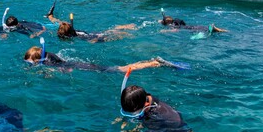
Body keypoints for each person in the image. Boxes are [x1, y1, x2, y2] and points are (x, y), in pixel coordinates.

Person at [23, 40, 190, 73]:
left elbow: (66, 72)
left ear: (38, 59)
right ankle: (152, 62)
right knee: (121, 68)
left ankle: (154, 63)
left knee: (120, 69)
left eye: (31, 62)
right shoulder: (52, 57)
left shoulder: (50, 63)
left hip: (86, 68)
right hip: (83, 64)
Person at [46, 2, 137, 43]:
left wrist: (93, 41)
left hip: (92, 36)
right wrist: (50, 17)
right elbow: (58, 22)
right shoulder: (69, 30)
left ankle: (124, 33)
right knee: (107, 32)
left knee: (108, 35)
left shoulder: (78, 36)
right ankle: (120, 28)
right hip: (88, 33)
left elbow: (92, 40)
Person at [159, 9, 227, 38]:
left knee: (206, 30)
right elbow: (162, 21)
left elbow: (175, 30)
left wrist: (165, 31)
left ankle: (214, 29)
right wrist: (162, 21)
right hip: (192, 27)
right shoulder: (175, 21)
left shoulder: (173, 24)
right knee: (205, 29)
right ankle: (219, 30)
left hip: (190, 29)